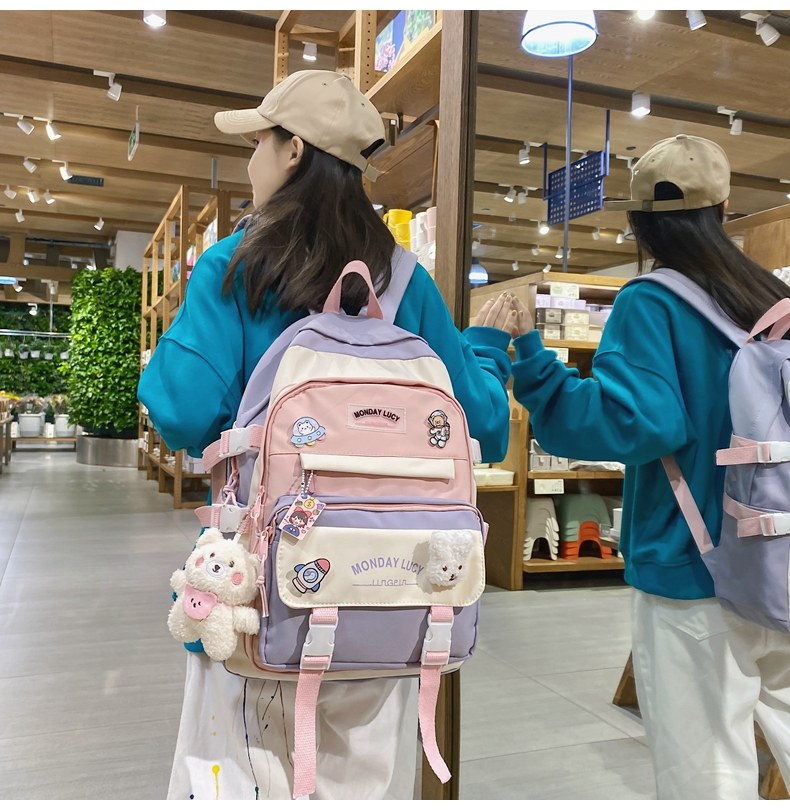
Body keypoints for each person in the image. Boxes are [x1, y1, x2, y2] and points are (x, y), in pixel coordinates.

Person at [137, 69, 517, 801]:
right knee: (363, 782)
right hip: (391, 594)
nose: (252, 160)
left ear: (293, 151)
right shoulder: (404, 281)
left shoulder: (237, 266)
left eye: (259, 142)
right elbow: (487, 428)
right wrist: (488, 351)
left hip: (264, 593)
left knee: (246, 776)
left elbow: (179, 409)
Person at [505, 134, 790, 799]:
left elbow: (638, 422)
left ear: (637, 221)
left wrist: (536, 367)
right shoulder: (771, 299)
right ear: (724, 207)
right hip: (778, 555)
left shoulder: (651, 301)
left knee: (705, 767)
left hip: (693, 564)